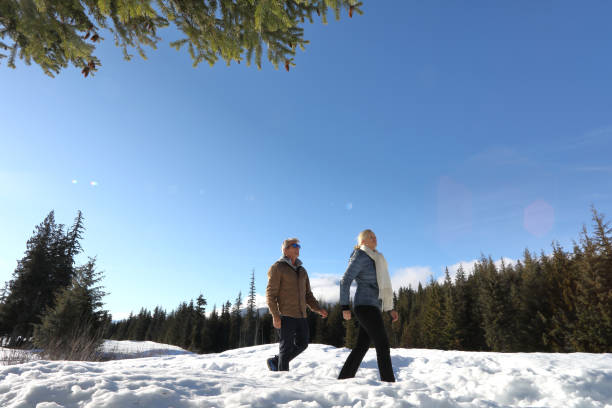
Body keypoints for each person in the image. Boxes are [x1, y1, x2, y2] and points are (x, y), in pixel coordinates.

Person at [338, 229, 398, 382]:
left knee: (361, 346)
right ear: (363, 241)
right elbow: (345, 280)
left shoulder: (376, 258)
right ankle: (389, 382)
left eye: (375, 236)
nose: (375, 238)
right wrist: (344, 306)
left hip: (374, 306)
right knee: (382, 344)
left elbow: (380, 285)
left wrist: (390, 309)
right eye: (371, 237)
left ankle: (344, 379)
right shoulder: (360, 256)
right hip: (364, 306)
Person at [266, 237, 328, 371]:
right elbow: (271, 294)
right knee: (286, 347)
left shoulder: (302, 270)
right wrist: (275, 315)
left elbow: (308, 295)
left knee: (303, 344)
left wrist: (318, 308)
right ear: (285, 249)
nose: (298, 248)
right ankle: (283, 377)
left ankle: (276, 362)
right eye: (294, 245)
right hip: (285, 315)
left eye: (299, 246)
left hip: (301, 315)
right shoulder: (277, 267)